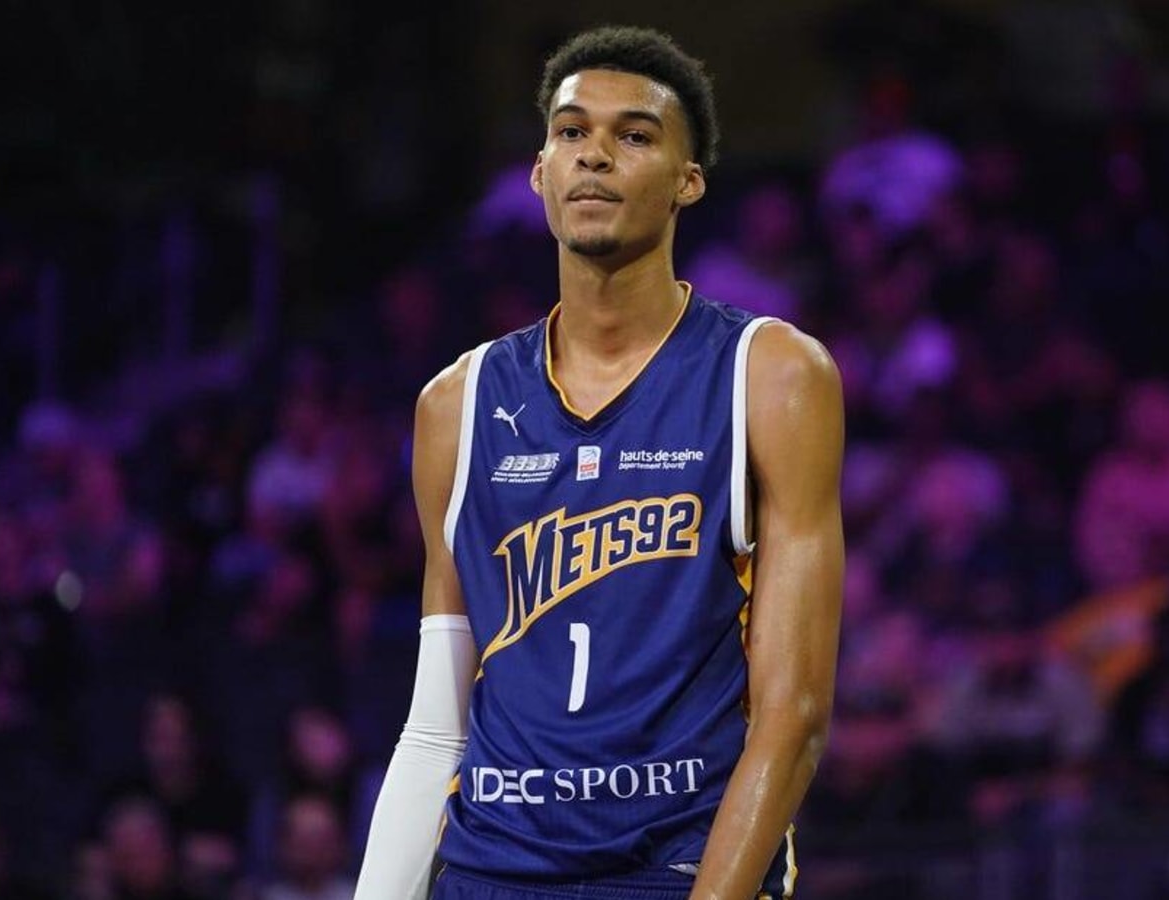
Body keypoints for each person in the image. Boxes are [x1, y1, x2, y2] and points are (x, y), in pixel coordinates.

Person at [356, 26, 845, 900]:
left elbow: (794, 716)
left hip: (676, 866)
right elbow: (437, 727)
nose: (595, 157)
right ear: (540, 173)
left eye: (635, 136)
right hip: (491, 869)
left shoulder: (769, 374)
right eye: (572, 133)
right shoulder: (455, 405)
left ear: (687, 182)